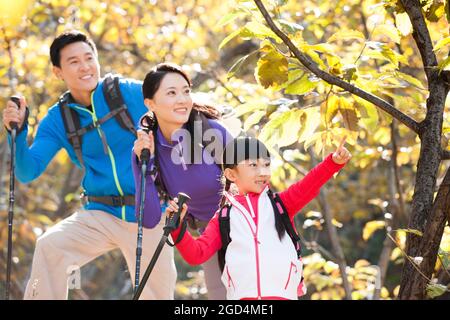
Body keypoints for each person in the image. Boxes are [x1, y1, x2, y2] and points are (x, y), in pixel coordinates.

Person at [2, 30, 174, 300]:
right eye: (73, 62)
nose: (85, 67)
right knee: (50, 247)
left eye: (89, 58)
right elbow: (27, 171)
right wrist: (19, 133)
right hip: (100, 212)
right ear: (58, 71)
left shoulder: (127, 92)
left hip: (148, 209)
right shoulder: (58, 118)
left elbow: (176, 115)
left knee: (156, 295)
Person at [165, 136, 351, 300]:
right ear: (231, 174)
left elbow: (310, 183)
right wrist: (176, 225)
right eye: (253, 165)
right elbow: (197, 254)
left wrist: (333, 162)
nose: (263, 172)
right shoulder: (224, 216)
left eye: (266, 164)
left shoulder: (281, 204)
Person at [132, 63, 233, 299]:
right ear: (150, 103)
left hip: (244, 223)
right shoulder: (147, 147)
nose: (182, 99)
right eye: (171, 93)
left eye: (186, 91)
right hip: (208, 235)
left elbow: (255, 182)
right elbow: (148, 219)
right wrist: (144, 164)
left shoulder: (212, 133)